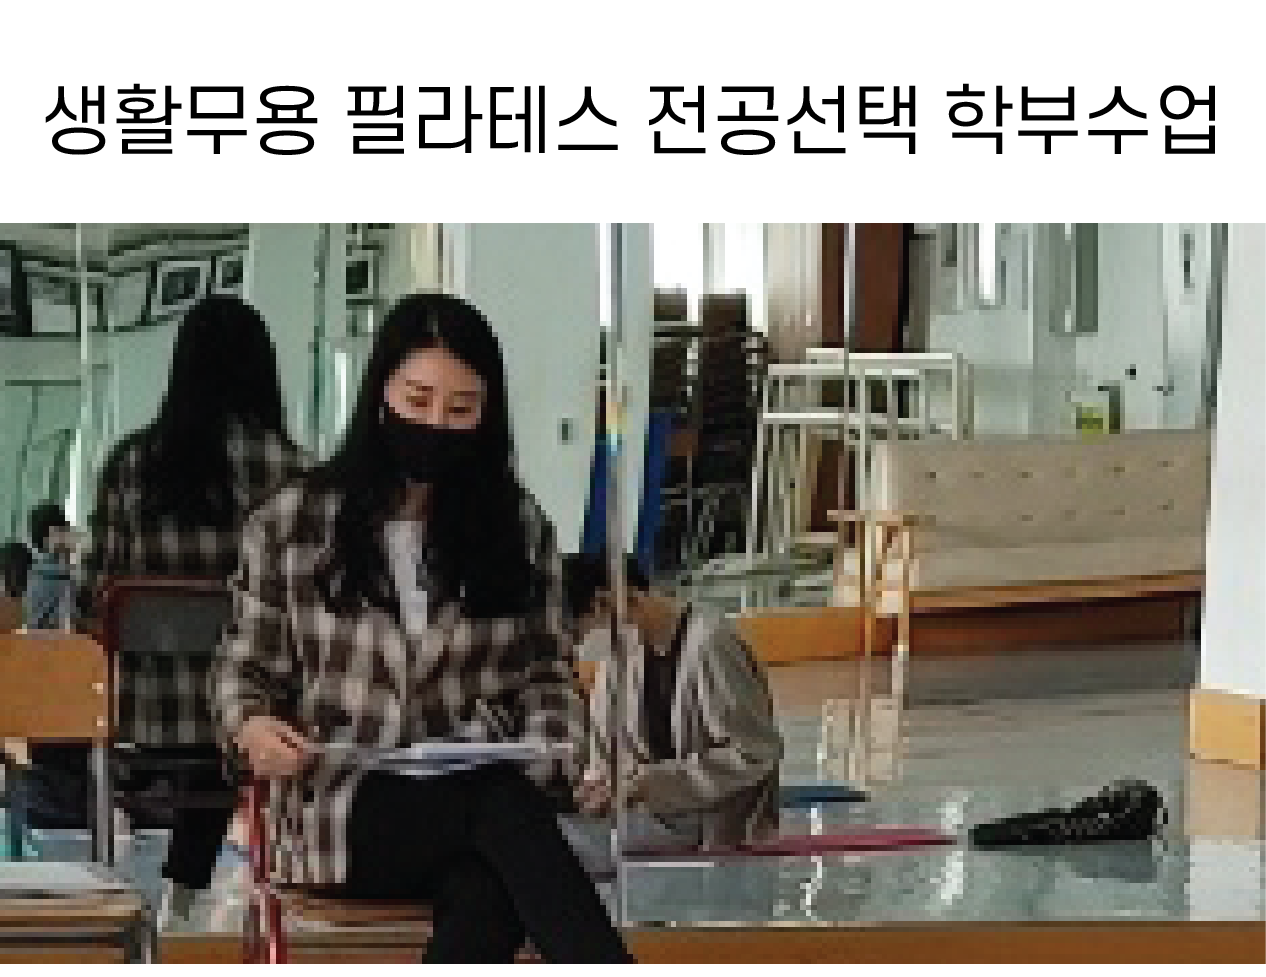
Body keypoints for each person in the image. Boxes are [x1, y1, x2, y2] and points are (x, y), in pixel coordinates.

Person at [213, 293, 631, 964]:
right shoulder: (294, 522)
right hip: (342, 805)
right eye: (419, 400)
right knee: (499, 810)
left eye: (461, 409)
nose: (436, 423)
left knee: (487, 888)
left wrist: (560, 747)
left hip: (479, 801)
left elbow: (547, 673)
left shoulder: (516, 528)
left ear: (487, 415)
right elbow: (242, 670)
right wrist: (253, 727)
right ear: (381, 393)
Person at [77, 295, 309, 928]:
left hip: (142, 720)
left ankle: (176, 901)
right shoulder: (297, 473)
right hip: (257, 723)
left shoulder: (129, 466)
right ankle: (208, 897)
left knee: (207, 749)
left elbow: (92, 598)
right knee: (232, 739)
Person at [560, 552, 782, 874]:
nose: (580, 647)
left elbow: (755, 753)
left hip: (706, 818)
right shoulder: (618, 658)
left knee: (563, 848)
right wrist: (596, 789)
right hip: (647, 812)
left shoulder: (709, 645)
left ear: (608, 603)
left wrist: (647, 784)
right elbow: (602, 756)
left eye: (580, 634)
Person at [23, 502, 75, 629]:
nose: (69, 535)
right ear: (48, 537)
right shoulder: (53, 574)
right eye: (63, 530)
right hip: (51, 638)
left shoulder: (39, 569)